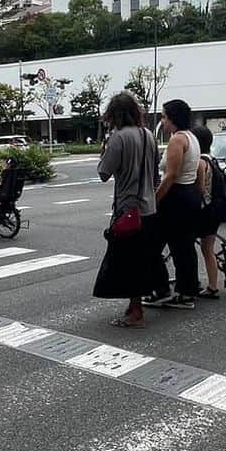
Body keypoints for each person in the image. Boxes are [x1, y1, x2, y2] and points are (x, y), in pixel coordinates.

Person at [93, 91, 161, 328]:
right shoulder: (149, 135)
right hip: (149, 208)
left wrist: (104, 147)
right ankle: (135, 305)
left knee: (127, 262)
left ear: (114, 115)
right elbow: (156, 176)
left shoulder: (118, 138)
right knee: (141, 260)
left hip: (127, 210)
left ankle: (136, 312)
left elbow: (103, 173)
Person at [144, 98, 202, 310]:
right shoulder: (192, 137)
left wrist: (155, 199)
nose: (162, 121)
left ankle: (163, 290)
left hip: (175, 197)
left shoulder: (177, 140)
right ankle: (187, 291)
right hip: (188, 196)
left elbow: (171, 175)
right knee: (184, 247)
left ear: (172, 118)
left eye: (164, 117)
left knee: (152, 245)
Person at [194, 124, 226, 299]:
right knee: (207, 248)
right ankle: (212, 285)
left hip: (206, 212)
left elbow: (200, 189)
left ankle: (211, 286)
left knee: (205, 248)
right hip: (215, 210)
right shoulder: (212, 158)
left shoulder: (201, 162)